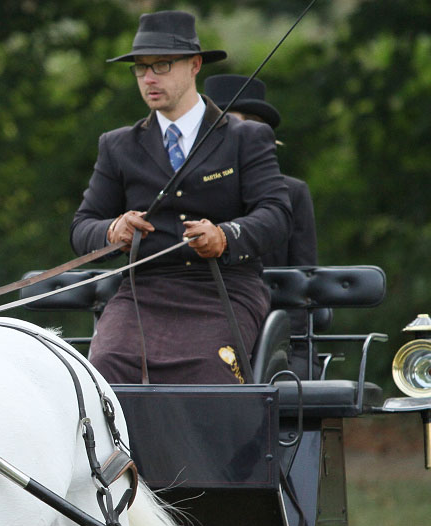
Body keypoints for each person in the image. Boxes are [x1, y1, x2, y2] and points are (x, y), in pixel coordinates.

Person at [70, 10, 292, 385]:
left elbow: (276, 215)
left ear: (194, 65)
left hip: (225, 287)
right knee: (105, 365)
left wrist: (225, 236)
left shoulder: (245, 138)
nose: (149, 78)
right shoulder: (118, 145)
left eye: (162, 65)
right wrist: (112, 230)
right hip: (144, 291)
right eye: (141, 69)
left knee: (207, 372)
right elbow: (82, 227)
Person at [204, 74, 319, 376]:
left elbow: (303, 281)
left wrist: (281, 343)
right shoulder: (190, 192)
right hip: (203, 330)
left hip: (277, 334)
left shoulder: (292, 193)